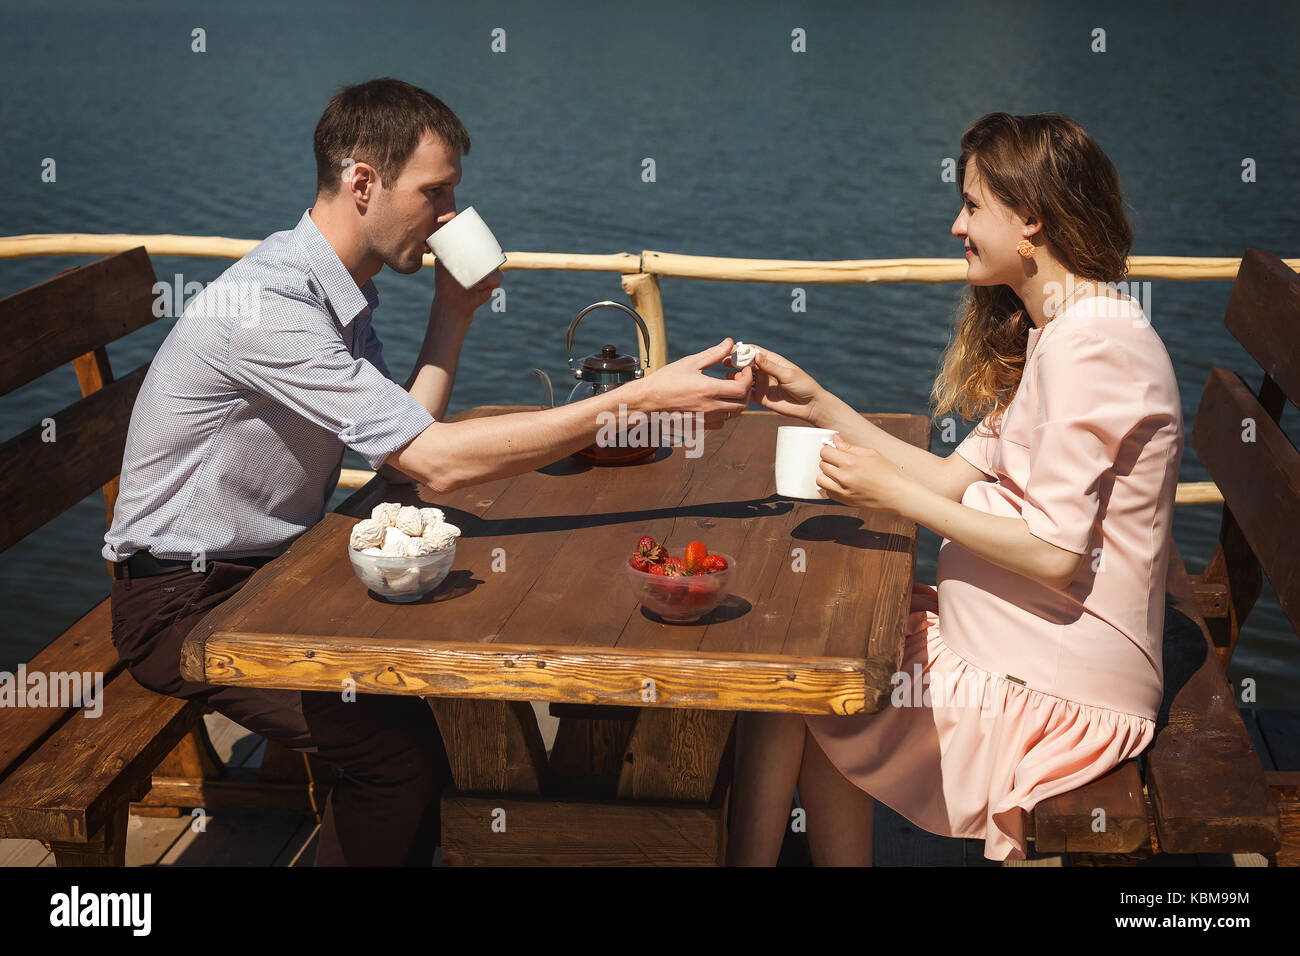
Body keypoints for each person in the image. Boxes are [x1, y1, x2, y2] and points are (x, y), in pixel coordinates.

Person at [104, 77, 752, 866]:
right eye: (435, 192)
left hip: (267, 572)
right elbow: (432, 464)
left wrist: (454, 310)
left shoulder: (338, 290)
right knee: (397, 755)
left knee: (434, 701)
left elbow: (402, 446)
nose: (450, 216)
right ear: (363, 182)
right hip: (181, 605)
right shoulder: (272, 306)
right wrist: (634, 402)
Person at [724, 112, 1183, 865]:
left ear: (1030, 220)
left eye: (972, 206)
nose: (954, 225)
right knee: (809, 664)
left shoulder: (1093, 349)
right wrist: (820, 403)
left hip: (1061, 696)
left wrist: (892, 497)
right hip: (1021, 645)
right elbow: (947, 477)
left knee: (800, 676)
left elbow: (1053, 554)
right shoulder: (1059, 333)